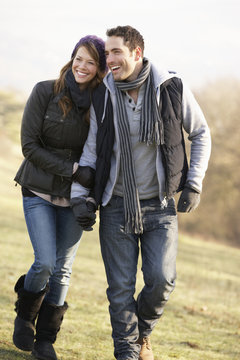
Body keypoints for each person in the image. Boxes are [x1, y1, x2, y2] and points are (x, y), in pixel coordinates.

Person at [71, 25, 211, 360]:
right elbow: (92, 151)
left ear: (136, 53)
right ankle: (128, 352)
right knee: (120, 291)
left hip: (160, 206)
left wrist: (194, 182)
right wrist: (80, 195)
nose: (110, 59)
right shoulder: (104, 93)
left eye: (116, 52)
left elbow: (201, 132)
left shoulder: (170, 87)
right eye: (107, 53)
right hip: (116, 206)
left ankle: (142, 334)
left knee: (162, 280)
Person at [13, 35, 106, 360]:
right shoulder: (44, 91)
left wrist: (90, 195)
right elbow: (29, 146)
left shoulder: (101, 104)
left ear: (99, 69)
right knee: (46, 262)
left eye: (91, 62)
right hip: (37, 187)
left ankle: (45, 340)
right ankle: (25, 315)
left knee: (63, 269)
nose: (82, 66)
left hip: (74, 196)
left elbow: (101, 154)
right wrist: (72, 168)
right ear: (72, 58)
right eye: (79, 58)